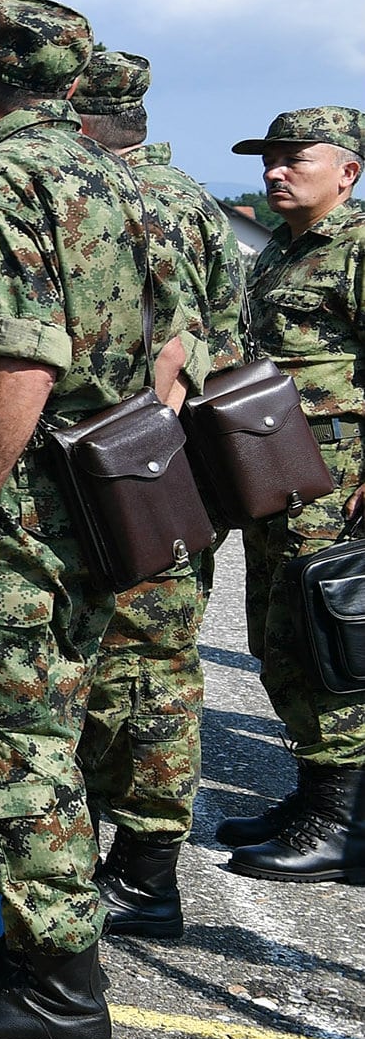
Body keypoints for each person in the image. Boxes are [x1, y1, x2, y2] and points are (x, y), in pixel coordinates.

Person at [0, 0, 191, 1039]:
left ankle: (63, 993)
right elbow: (167, 349)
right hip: (92, 498)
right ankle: (33, 955)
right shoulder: (117, 176)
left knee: (10, 740)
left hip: (25, 506)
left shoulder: (7, 176)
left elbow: (23, 359)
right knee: (53, 730)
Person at [72, 49, 241, 933]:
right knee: (139, 664)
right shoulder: (194, 202)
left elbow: (188, 356)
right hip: (163, 473)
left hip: (137, 470)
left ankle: (144, 872)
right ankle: (87, 845)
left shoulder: (133, 201)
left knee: (144, 670)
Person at [222, 106, 365, 885]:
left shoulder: (359, 247)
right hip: (277, 470)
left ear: (347, 171)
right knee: (279, 636)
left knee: (327, 640)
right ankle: (314, 793)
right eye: (268, 159)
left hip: (336, 478)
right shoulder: (279, 249)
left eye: (293, 159)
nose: (274, 171)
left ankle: (338, 820)